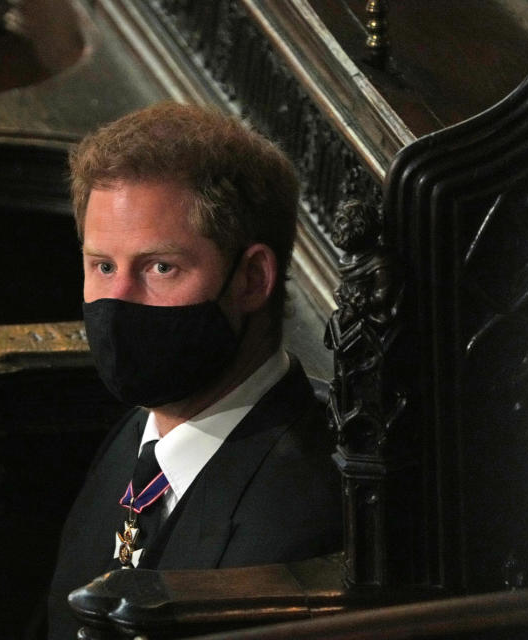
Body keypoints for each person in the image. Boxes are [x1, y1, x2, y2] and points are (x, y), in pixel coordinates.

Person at [47, 102, 342, 639]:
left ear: (252, 279)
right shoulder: (140, 435)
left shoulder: (297, 521)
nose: (117, 302)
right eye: (103, 266)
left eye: (161, 267)